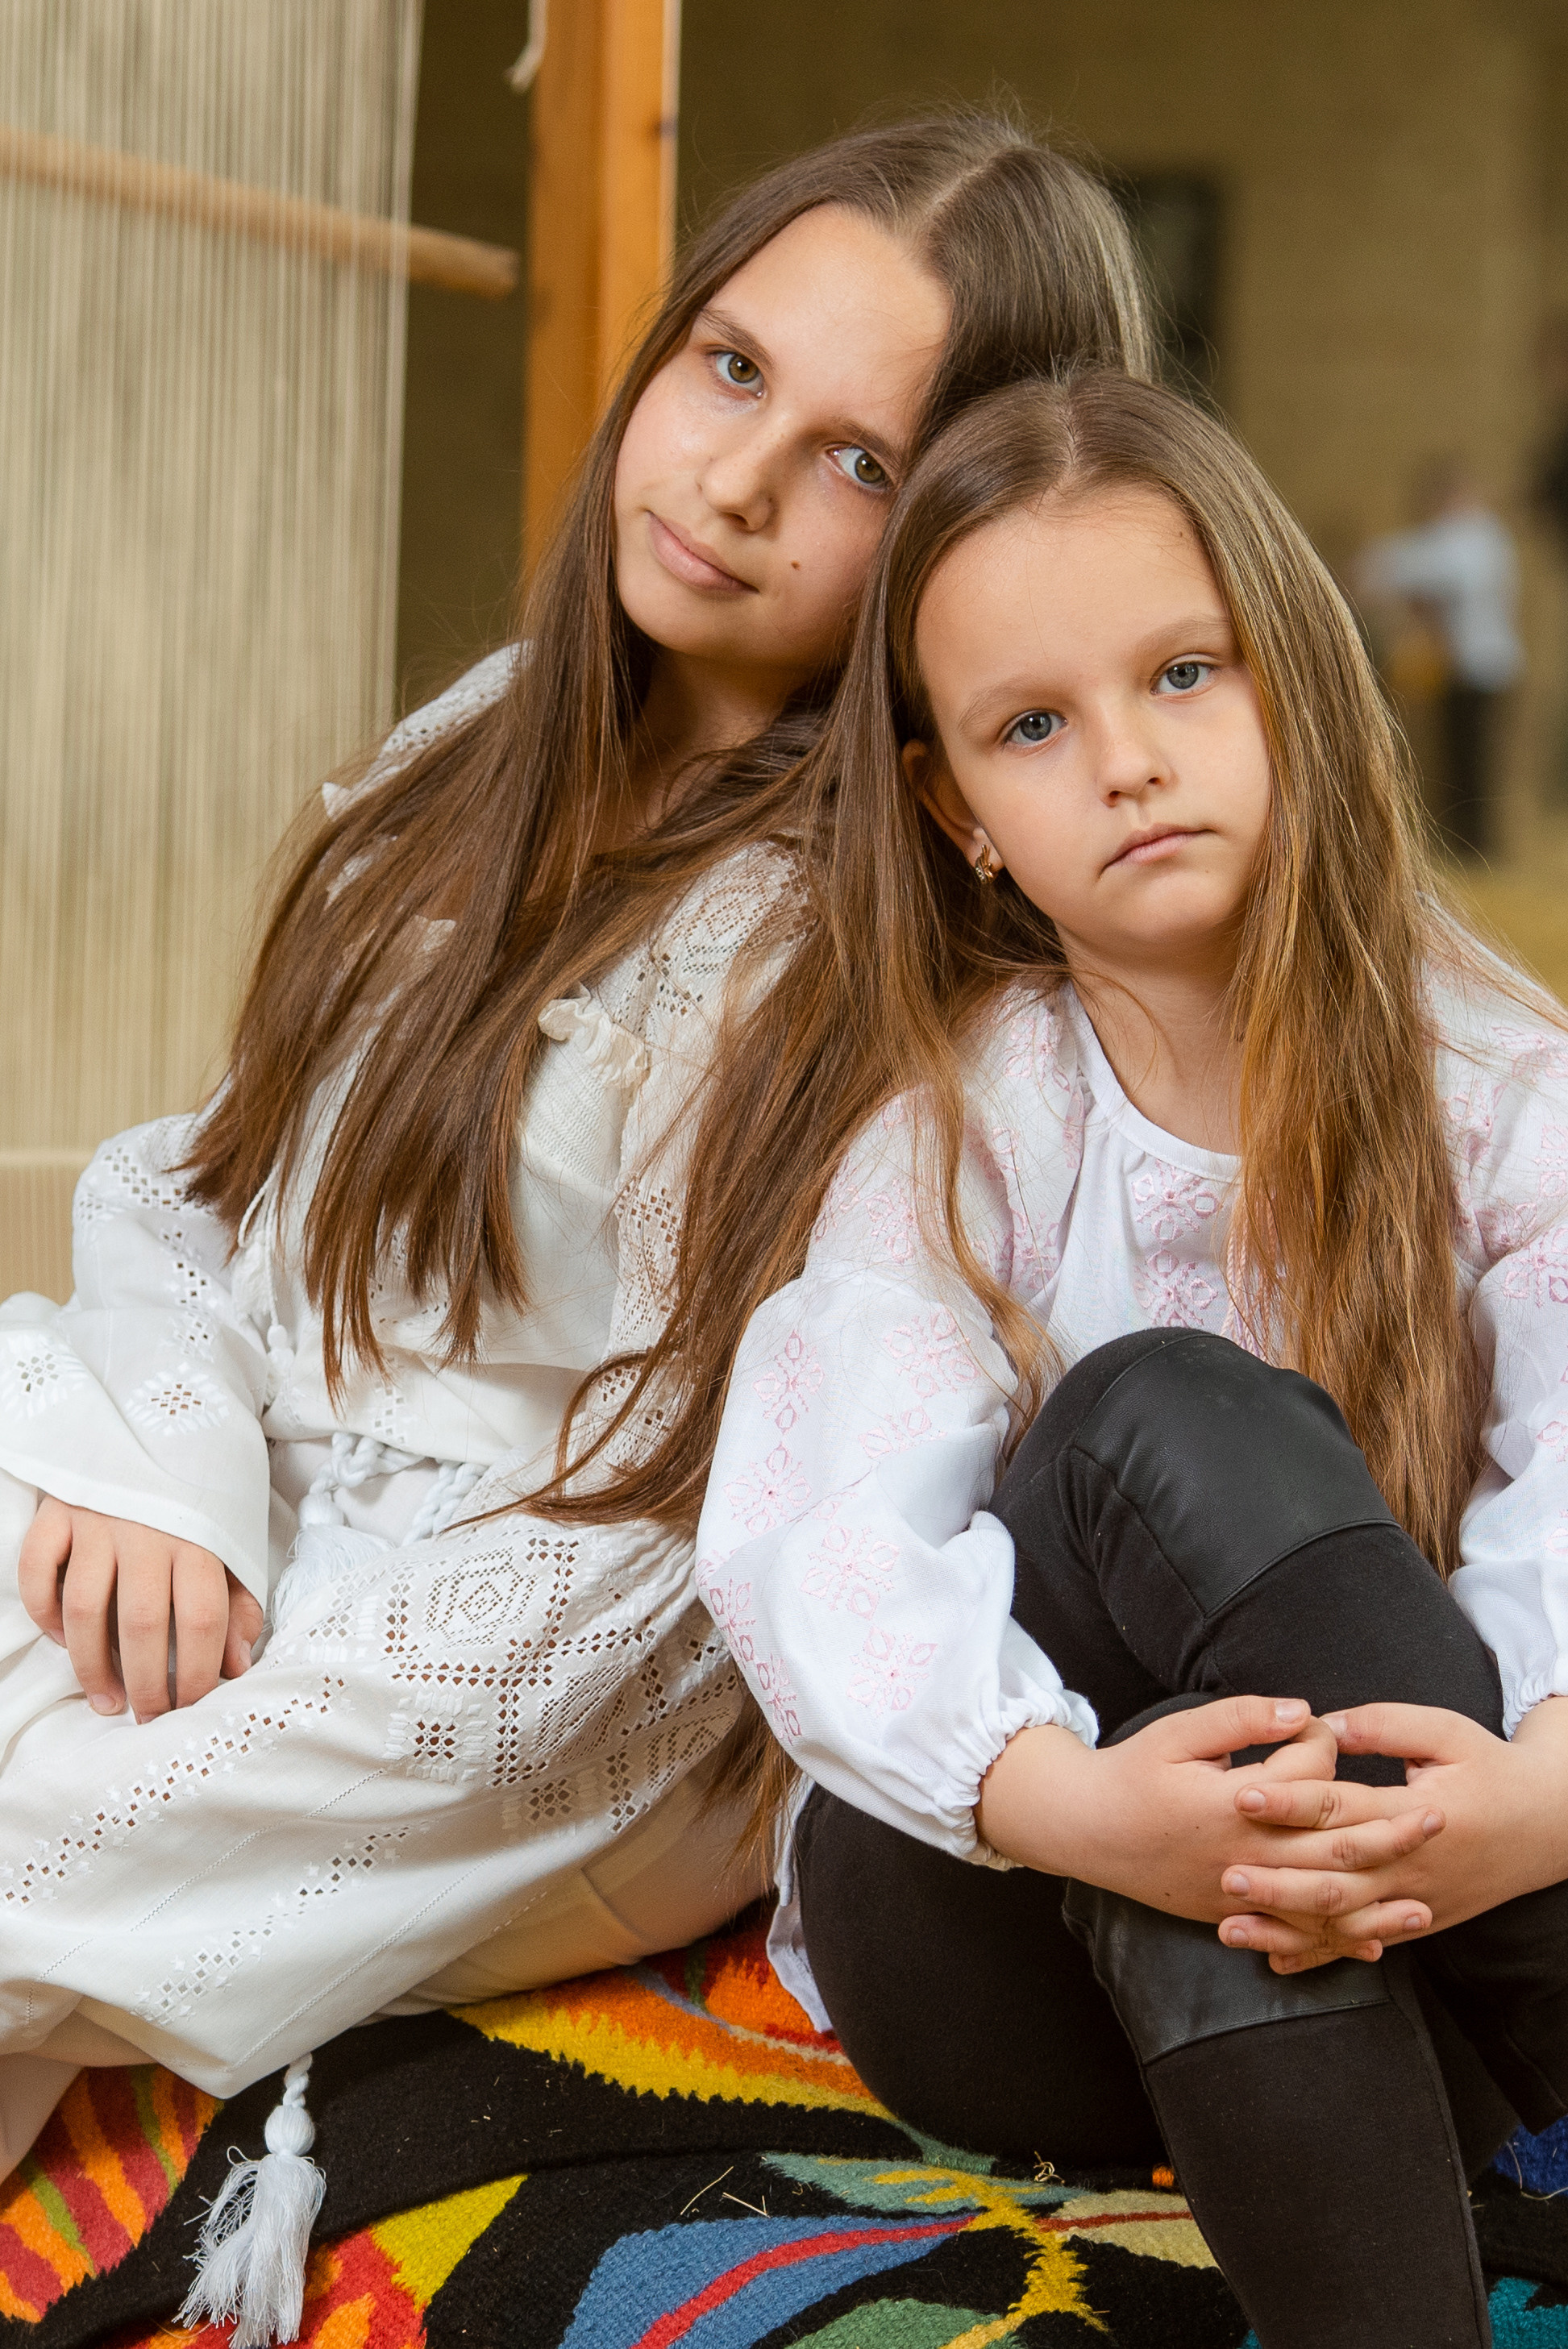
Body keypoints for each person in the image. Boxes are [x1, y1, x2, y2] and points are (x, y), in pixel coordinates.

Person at [0, 117, 1154, 2340]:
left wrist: (253, 1653)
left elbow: (697, 1529)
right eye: (727, 371)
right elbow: (216, 1181)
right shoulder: (497, 741)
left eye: (848, 461)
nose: (727, 481)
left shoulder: (860, 951)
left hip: (573, 1655)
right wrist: (163, 1464)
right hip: (276, 1486)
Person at [692, 372, 1568, 2349]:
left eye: (1182, 674)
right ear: (958, 815)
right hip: (988, 1907)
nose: (1123, 761)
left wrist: (1535, 1799)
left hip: (1404, 1889)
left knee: (1257, 1821)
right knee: (1149, 1405)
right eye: (1030, 726)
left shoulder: (1499, 1092)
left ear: (1289, 676)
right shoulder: (964, 1128)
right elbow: (818, 1541)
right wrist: (1075, 1805)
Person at [1358, 455, 1522, 858]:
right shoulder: (1474, 538)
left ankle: (1477, 845)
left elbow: (1411, 564)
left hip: (1482, 669)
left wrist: (1370, 570)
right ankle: (1467, 840)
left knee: (1474, 762)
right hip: (1466, 670)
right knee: (1461, 759)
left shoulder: (1474, 538)